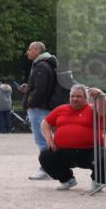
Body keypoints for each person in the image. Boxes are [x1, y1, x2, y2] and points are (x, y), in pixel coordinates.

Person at [39, 85, 106, 191]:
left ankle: (98, 183)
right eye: (72, 96)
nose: (75, 99)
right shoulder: (60, 109)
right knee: (45, 156)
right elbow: (45, 123)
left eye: (79, 96)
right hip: (63, 151)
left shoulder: (94, 109)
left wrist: (100, 95)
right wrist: (49, 139)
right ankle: (67, 180)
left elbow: (104, 109)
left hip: (90, 151)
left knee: (105, 159)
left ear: (86, 98)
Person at [19, 41, 62, 181]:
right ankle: (51, 168)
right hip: (44, 107)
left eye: (30, 49)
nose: (27, 52)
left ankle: (46, 169)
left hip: (39, 108)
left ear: (37, 51)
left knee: (42, 140)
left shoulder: (41, 66)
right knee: (46, 139)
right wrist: (29, 89)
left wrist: (30, 103)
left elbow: (40, 90)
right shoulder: (47, 64)